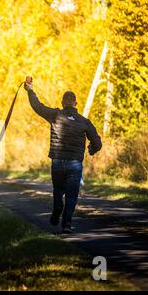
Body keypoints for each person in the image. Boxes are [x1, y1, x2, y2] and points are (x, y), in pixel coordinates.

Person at [24, 77, 102, 233]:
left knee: (58, 190)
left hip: (58, 161)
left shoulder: (55, 115)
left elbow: (37, 106)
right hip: (75, 163)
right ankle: (66, 224)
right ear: (76, 104)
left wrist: (30, 90)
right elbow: (97, 142)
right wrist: (91, 149)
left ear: (62, 102)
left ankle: (57, 210)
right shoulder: (84, 121)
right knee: (72, 196)